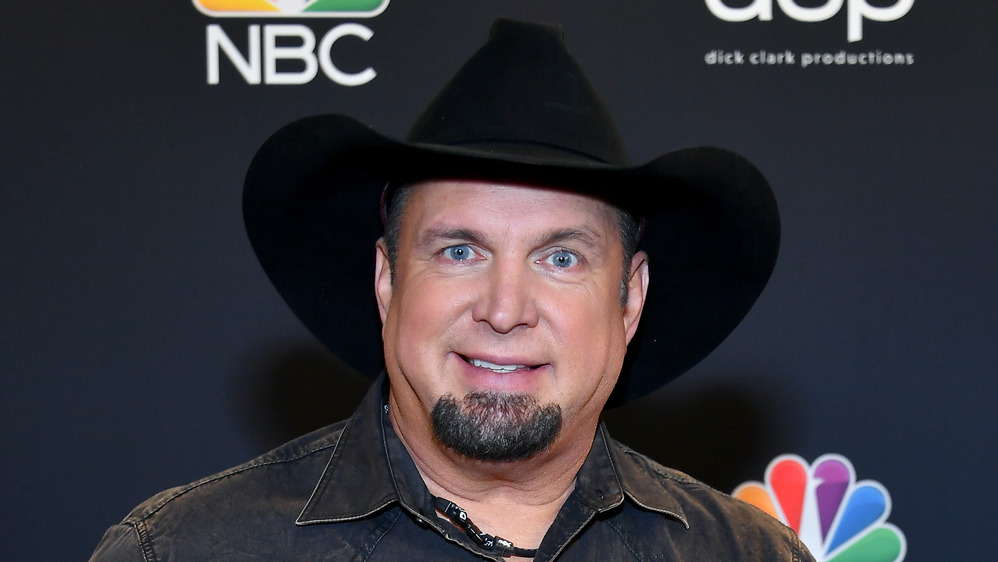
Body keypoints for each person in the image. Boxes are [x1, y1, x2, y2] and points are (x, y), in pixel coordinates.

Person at [90, 18, 814, 561]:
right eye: (460, 250)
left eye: (561, 258)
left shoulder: (750, 554)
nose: (504, 309)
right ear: (386, 279)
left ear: (629, 299)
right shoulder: (185, 550)